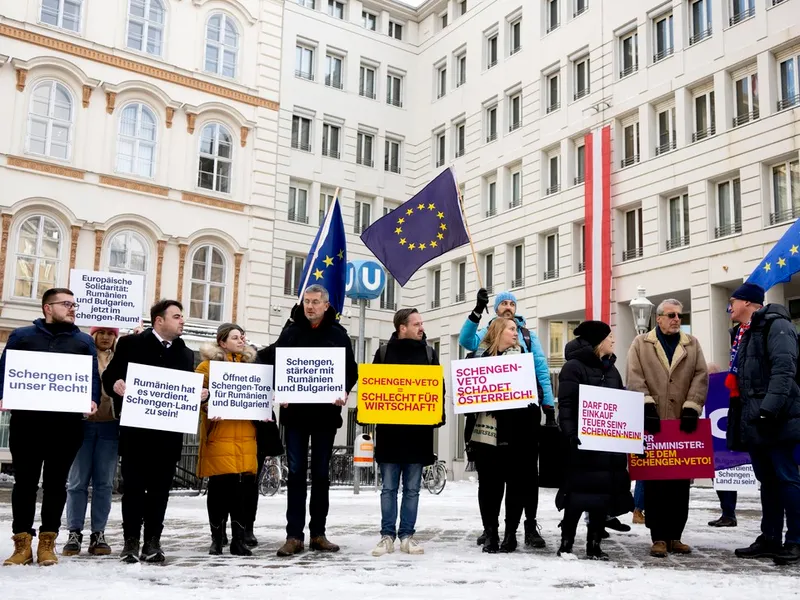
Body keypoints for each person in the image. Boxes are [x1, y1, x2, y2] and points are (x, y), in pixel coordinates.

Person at [0, 288, 100, 566]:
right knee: (25, 483)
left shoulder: (82, 341)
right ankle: (22, 543)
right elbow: (5, 370)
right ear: (47, 307)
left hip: (65, 425)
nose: (72, 308)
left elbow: (92, 378)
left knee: (56, 484)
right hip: (27, 423)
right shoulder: (22, 337)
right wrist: (2, 393)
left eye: (74, 304)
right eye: (66, 304)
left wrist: (91, 399)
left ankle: (48, 543)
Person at [258, 285, 358, 557]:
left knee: (323, 475)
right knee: (297, 473)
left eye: (315, 302)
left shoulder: (338, 335)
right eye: (307, 302)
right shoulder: (290, 332)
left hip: (326, 417)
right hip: (296, 417)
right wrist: (280, 388)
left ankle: (318, 533)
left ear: (326, 305)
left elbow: (351, 370)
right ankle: (293, 536)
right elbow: (274, 362)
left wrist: (344, 391)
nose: (310, 306)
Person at [103, 299, 200, 564]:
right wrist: (117, 384)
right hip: (137, 434)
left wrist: (199, 395)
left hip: (168, 437)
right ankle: (131, 542)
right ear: (159, 320)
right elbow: (109, 376)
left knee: (160, 491)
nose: (182, 321)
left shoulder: (185, 352)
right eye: (177, 316)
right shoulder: (131, 344)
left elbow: (184, 389)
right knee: (133, 489)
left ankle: (153, 541)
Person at [459, 289, 552, 548]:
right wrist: (478, 310)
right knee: (490, 482)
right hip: (488, 428)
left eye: (513, 303)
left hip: (520, 425)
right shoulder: (480, 347)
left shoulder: (527, 343)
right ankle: (491, 531)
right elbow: (467, 343)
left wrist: (549, 405)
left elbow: (541, 371)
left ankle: (518, 530)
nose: (509, 307)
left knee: (520, 480)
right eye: (505, 304)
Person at [626, 298, 709, 558]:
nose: (676, 320)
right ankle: (659, 537)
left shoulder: (692, 344)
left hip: (681, 425)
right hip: (653, 424)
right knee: (655, 483)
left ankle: (676, 535)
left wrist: (692, 406)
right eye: (671, 315)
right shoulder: (641, 343)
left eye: (679, 315)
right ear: (658, 318)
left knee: (680, 483)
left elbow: (700, 374)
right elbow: (634, 375)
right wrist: (646, 406)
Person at [725, 283, 800, 565]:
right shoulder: (743, 333)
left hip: (776, 417)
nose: (729, 307)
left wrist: (769, 409)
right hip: (755, 417)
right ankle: (770, 537)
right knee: (767, 481)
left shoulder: (776, 326)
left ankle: (795, 540)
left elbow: (784, 370)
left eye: (732, 301)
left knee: (787, 479)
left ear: (748, 303)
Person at [370, 308, 445, 557]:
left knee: (412, 489)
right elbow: (373, 388)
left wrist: (437, 413)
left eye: (421, 323)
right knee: (389, 488)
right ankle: (387, 535)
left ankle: (407, 535)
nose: (421, 327)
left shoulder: (428, 353)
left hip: (418, 435)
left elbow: (438, 389)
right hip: (390, 434)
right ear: (402, 327)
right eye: (416, 324)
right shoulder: (383, 353)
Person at [555, 321, 633, 559]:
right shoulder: (573, 368)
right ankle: (566, 543)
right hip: (581, 444)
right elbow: (566, 405)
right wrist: (570, 433)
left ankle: (595, 543)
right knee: (576, 496)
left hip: (607, 446)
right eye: (609, 336)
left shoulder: (612, 370)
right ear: (598, 341)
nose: (613, 340)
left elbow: (619, 404)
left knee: (603, 496)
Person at [196, 323, 261, 557]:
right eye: (235, 337)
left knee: (242, 493)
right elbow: (195, 398)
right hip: (219, 435)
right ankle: (217, 539)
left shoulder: (251, 368)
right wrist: (206, 402)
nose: (241, 340)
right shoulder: (207, 367)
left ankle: (239, 540)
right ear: (222, 342)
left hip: (245, 435)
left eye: (242, 336)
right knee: (219, 490)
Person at [63, 326, 121, 557]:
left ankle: (99, 533)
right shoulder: (81, 354)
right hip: (83, 424)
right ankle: (74, 532)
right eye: (102, 332)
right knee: (77, 482)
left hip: (110, 425)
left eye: (111, 333)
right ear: (93, 334)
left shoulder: (120, 359)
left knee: (104, 483)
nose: (106, 337)